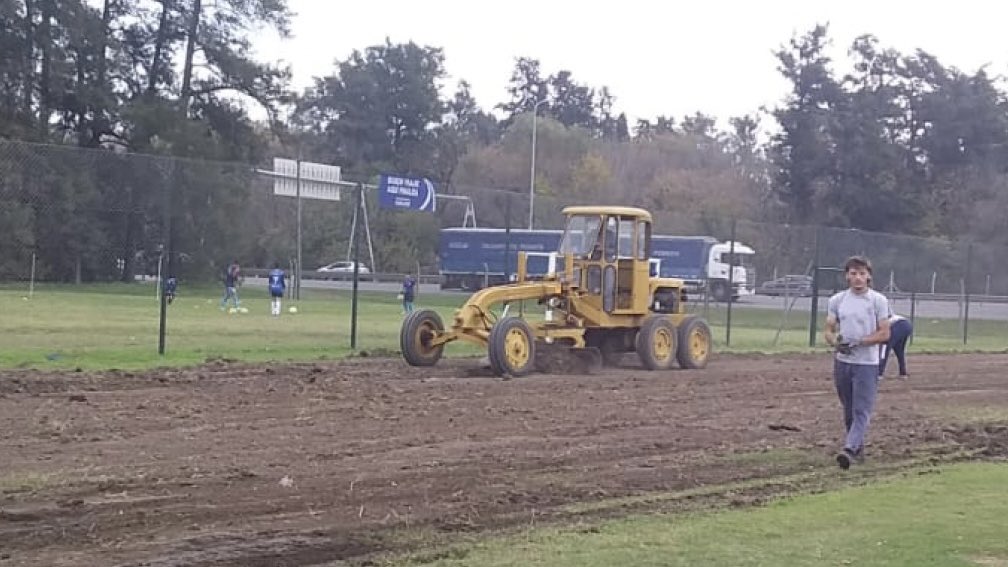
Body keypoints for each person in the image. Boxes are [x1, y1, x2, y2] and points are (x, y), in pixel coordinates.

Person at [824, 255, 891, 470]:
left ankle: (849, 449)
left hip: (867, 364)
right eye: (853, 274)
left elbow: (884, 333)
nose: (858, 278)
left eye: (862, 274)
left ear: (869, 276)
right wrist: (836, 342)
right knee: (848, 409)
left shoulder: (878, 301)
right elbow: (828, 329)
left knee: (861, 409)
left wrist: (860, 342)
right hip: (843, 362)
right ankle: (857, 449)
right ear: (847, 276)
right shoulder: (837, 300)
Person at [880, 313, 913, 378]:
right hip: (907, 325)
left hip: (899, 325)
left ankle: (879, 373)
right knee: (899, 350)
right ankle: (903, 373)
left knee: (886, 347)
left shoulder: (879, 319)